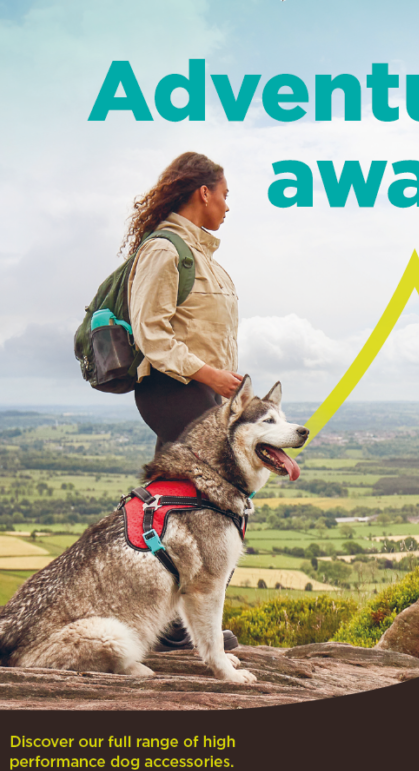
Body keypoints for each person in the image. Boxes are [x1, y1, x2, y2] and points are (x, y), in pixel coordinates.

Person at [123, 152, 242, 651]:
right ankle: (178, 624)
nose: (228, 207)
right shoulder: (165, 251)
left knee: (182, 505)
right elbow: (152, 336)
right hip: (173, 390)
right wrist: (212, 374)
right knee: (208, 505)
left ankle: (167, 619)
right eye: (226, 195)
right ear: (204, 193)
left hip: (202, 392)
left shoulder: (202, 256)